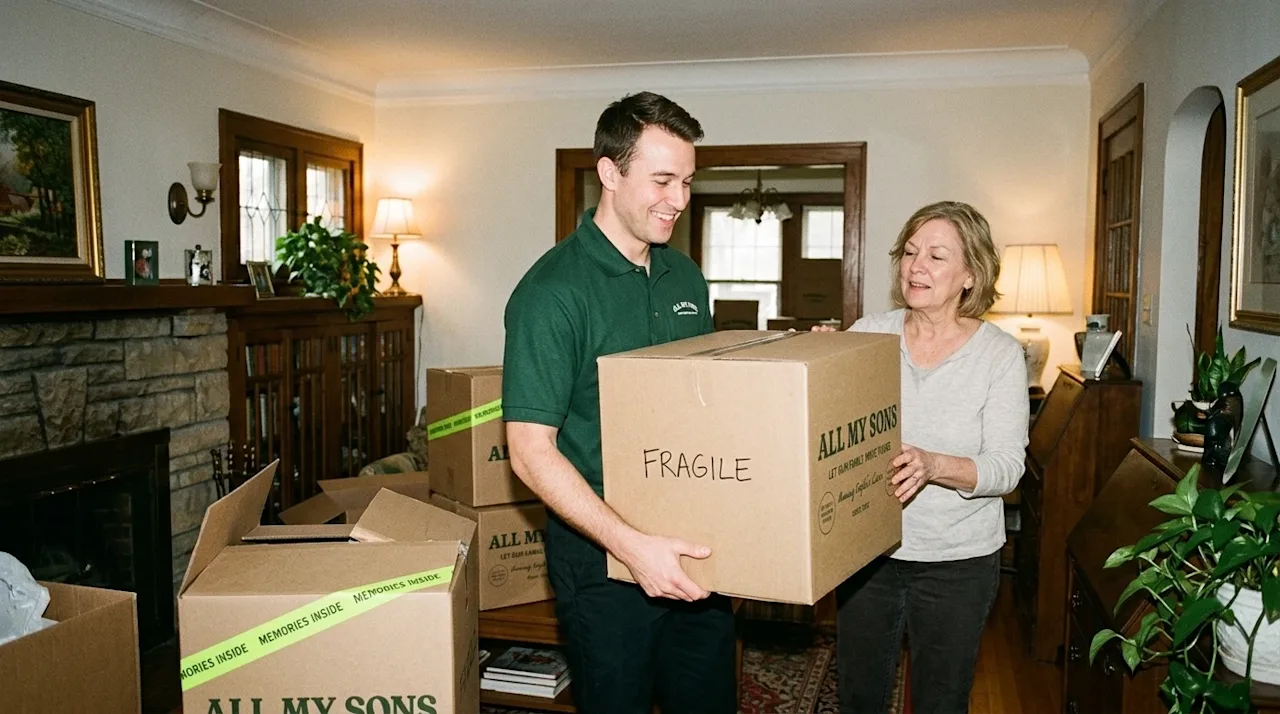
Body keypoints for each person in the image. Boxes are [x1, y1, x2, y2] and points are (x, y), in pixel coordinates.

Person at [501, 91, 737, 714]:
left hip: (693, 539)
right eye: (661, 179)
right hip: (602, 557)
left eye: (686, 181)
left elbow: (703, 403)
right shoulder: (551, 293)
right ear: (609, 172)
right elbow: (528, 452)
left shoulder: (685, 276)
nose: (679, 200)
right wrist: (632, 548)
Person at [824, 201, 1028, 714]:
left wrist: (934, 465)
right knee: (859, 694)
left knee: (941, 699)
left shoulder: (1000, 355)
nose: (916, 266)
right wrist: (815, 360)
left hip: (957, 561)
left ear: (970, 275)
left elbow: (1007, 467)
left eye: (937, 256)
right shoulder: (869, 332)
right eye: (910, 252)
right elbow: (823, 425)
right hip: (869, 552)